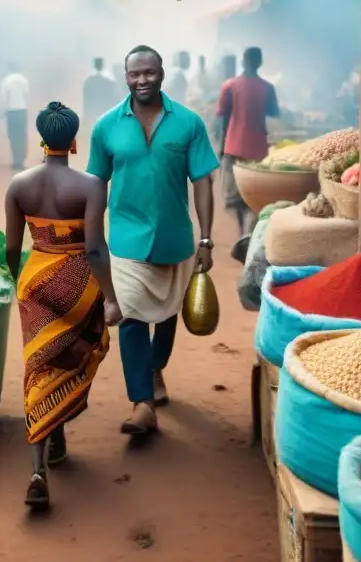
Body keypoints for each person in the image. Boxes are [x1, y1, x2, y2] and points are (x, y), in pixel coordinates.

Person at [87, 45, 219, 435]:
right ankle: (141, 402)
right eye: (134, 74)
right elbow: (96, 183)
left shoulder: (189, 123)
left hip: (175, 238)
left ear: (162, 73)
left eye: (149, 72)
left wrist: (206, 240)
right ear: (124, 77)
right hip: (126, 240)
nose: (142, 79)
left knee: (166, 315)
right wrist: (91, 237)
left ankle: (156, 367)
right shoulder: (106, 126)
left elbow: (203, 183)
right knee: (130, 315)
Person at [5, 102, 120, 510]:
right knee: (74, 355)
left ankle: (39, 467)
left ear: (40, 138)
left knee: (39, 365)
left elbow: (9, 248)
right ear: (73, 141)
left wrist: (21, 281)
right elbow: (93, 248)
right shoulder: (90, 186)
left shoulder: (19, 185)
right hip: (78, 286)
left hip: (35, 281)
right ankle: (58, 433)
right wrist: (109, 297)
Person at [217, 46, 280, 237]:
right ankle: (250, 234)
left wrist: (222, 146)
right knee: (255, 194)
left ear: (243, 61)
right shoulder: (267, 88)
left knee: (234, 195)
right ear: (260, 63)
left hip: (234, 146)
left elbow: (223, 119)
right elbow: (273, 112)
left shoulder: (229, 86)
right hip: (258, 148)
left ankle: (240, 231)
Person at [0, 63, 30, 169]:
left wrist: (2, 112)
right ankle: (21, 160)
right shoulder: (24, 80)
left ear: (9, 69)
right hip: (22, 110)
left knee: (12, 136)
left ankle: (15, 161)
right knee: (22, 136)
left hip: (11, 111)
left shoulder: (6, 80)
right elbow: (27, 95)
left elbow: (4, 98)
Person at [82, 57, 119, 127]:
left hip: (93, 115)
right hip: (105, 115)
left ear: (94, 66)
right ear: (103, 66)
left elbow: (86, 102)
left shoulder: (89, 82)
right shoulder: (110, 83)